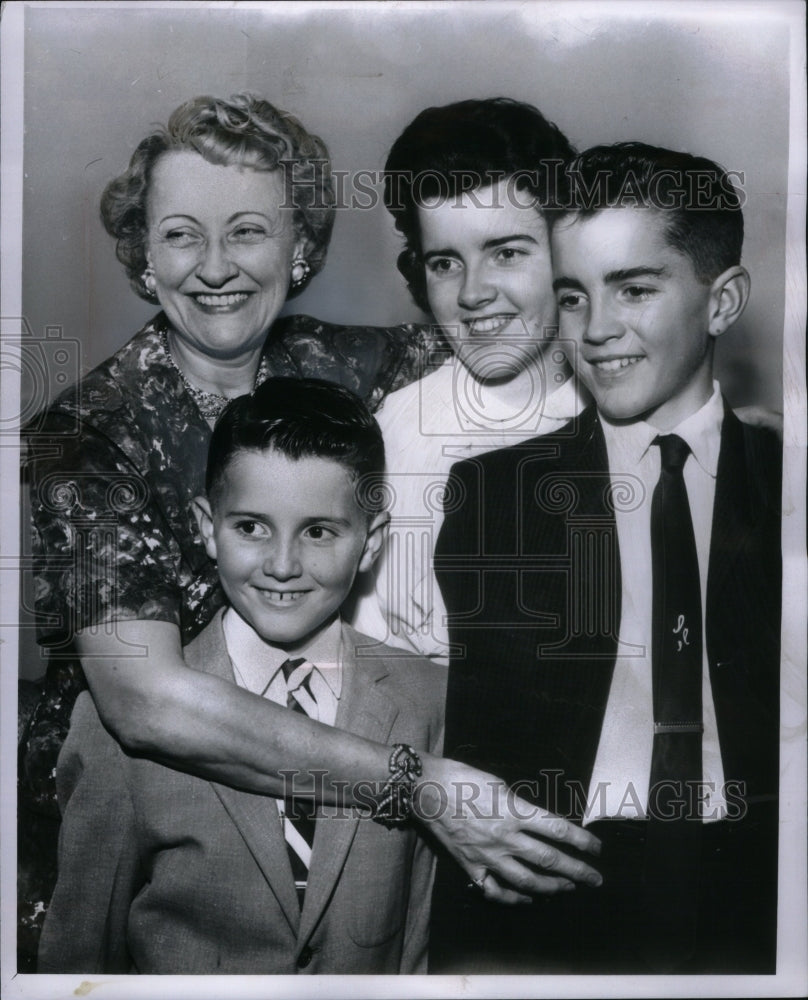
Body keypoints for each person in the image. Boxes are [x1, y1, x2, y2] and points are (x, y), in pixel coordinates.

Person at [21, 92, 601, 968]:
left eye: (249, 231)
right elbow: (144, 701)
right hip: (149, 840)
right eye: (181, 234)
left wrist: (702, 436)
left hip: (342, 847)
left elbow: (509, 336)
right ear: (143, 257)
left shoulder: (360, 367)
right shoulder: (88, 429)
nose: (216, 266)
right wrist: (417, 783)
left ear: (301, 250)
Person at [431, 143, 781, 973]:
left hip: (760, 889)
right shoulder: (497, 498)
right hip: (561, 892)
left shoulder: (788, 485)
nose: (595, 330)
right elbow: (484, 757)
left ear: (723, 299)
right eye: (573, 295)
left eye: (634, 288)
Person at [38, 378, 445, 974]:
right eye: (251, 527)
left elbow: (418, 953)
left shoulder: (428, 702)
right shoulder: (111, 725)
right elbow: (79, 959)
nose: (283, 565)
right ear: (207, 527)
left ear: (371, 541)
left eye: (320, 531)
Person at [349, 98, 587, 663]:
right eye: (445, 263)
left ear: (568, 253)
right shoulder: (395, 436)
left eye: (506, 253)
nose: (473, 293)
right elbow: (371, 666)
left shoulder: (633, 412)